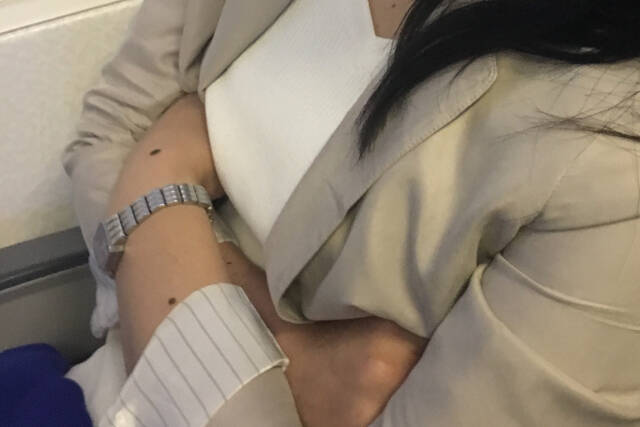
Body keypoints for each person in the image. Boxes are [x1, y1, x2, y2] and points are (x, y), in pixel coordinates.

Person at [62, 0, 640, 425]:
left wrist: (158, 179)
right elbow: (108, 135)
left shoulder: (609, 157)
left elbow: (134, 153)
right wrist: (293, 352)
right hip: (103, 383)